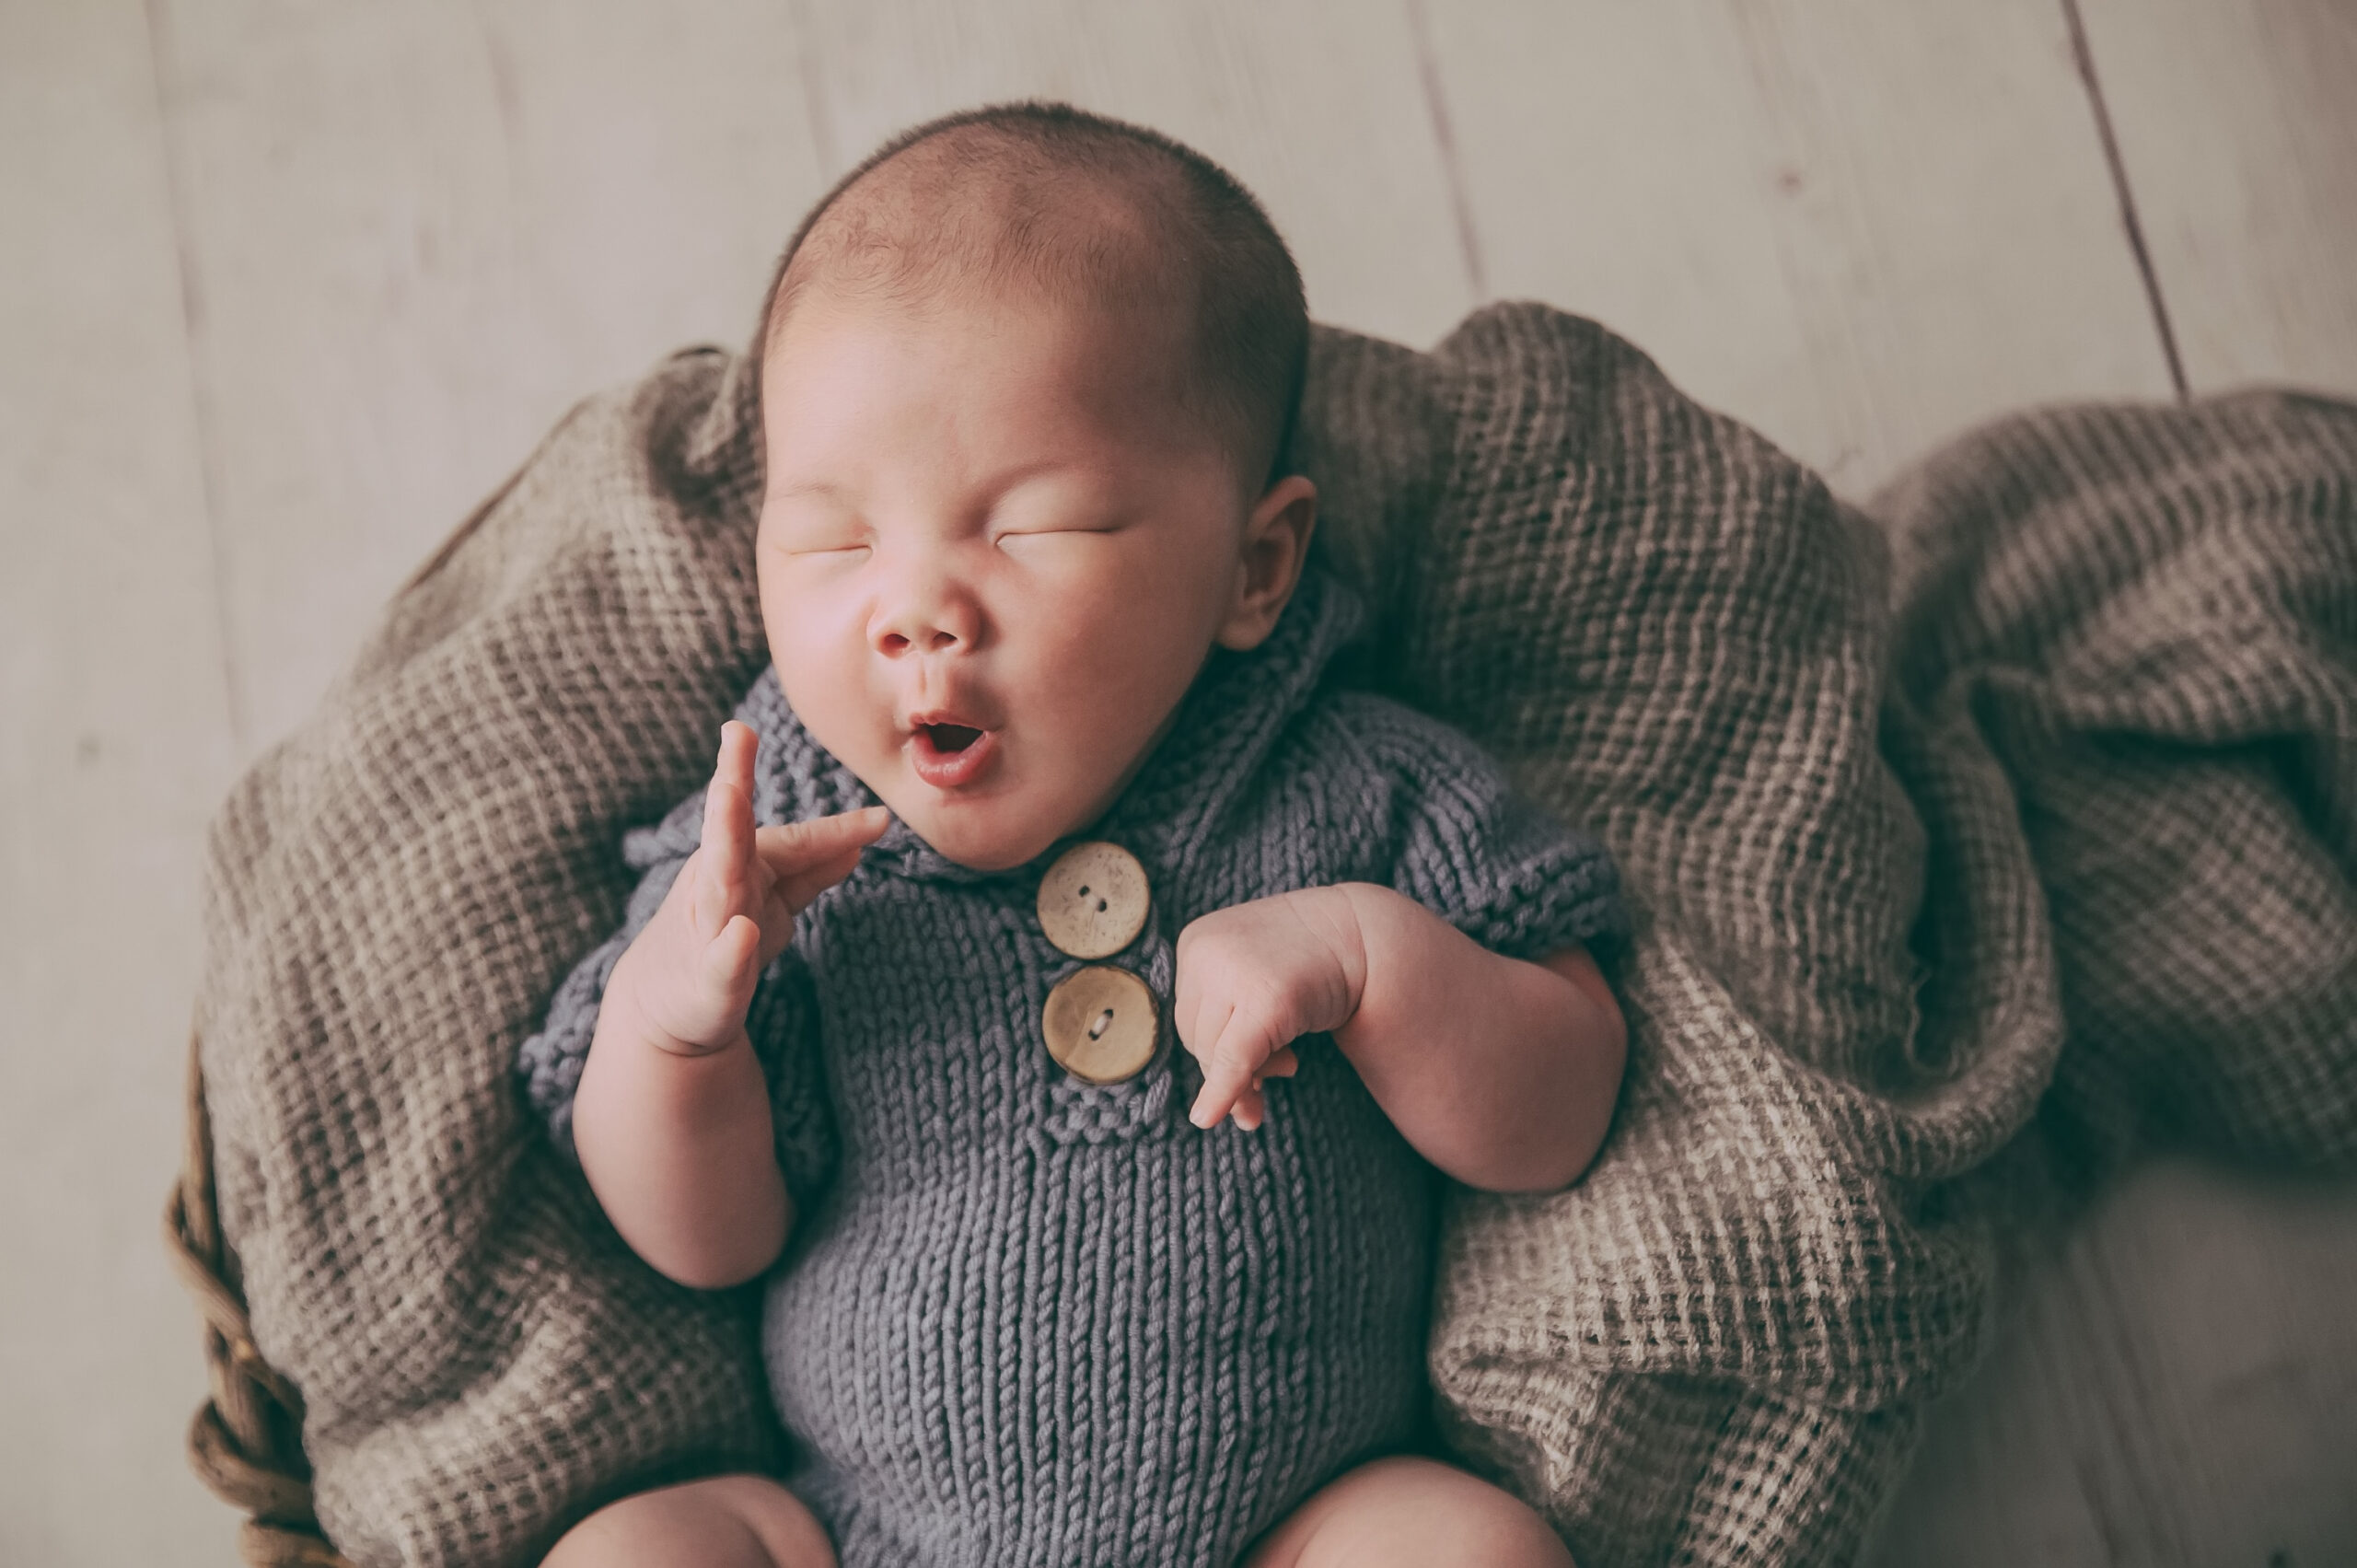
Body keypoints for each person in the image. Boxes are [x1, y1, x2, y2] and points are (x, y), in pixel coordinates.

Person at [516, 99, 1631, 1568]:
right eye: (835, 541)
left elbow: (1562, 1120)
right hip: (855, 1537)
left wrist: (1374, 960)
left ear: (1255, 565)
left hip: (1290, 1526)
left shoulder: (1362, 792)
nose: (913, 605)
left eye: (1028, 526)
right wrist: (672, 1034)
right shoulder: (774, 838)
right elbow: (707, 1244)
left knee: (1468, 1551)